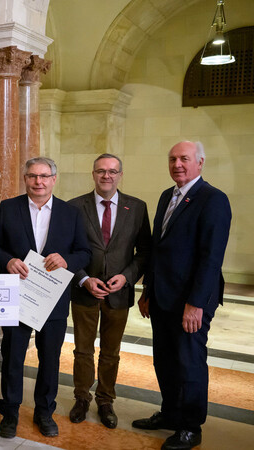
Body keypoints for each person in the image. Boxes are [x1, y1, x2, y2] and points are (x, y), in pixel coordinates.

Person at [133, 141, 231, 450]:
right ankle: (171, 413)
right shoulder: (167, 196)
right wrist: (147, 290)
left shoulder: (213, 199)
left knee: (189, 362)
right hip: (162, 295)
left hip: (191, 300)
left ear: (200, 163)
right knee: (164, 359)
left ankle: (190, 426)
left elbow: (210, 257)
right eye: (173, 158)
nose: (177, 163)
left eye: (184, 159)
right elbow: (159, 250)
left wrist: (196, 303)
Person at [0, 157, 91, 439]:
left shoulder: (70, 213)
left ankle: (44, 413)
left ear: (53, 179)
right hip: (17, 296)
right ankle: (9, 413)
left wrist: (66, 260)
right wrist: (8, 261)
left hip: (53, 299)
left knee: (50, 359)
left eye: (44, 176)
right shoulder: (9, 208)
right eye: (33, 176)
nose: (39, 182)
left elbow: (84, 253)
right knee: (12, 356)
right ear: (25, 178)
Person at [68, 154, 151, 429]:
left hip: (118, 293)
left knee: (111, 352)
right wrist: (83, 279)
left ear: (120, 175)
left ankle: (105, 399)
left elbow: (144, 252)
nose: (107, 176)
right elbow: (67, 251)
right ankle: (81, 397)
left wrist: (127, 277)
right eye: (101, 171)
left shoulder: (137, 208)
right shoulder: (74, 207)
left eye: (112, 171)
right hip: (84, 292)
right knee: (82, 350)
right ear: (93, 174)